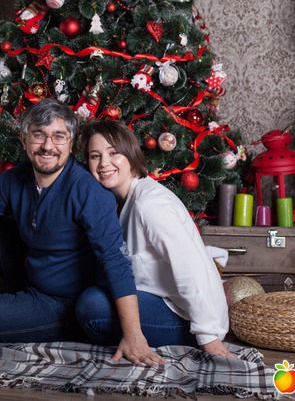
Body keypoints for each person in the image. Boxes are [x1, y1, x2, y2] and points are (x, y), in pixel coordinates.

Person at [0, 99, 164, 367]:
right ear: (24, 140)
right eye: (39, 135)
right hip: (32, 276)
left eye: (58, 136)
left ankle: (25, 320)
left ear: (71, 144)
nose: (48, 146)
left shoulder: (88, 191)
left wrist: (133, 334)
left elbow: (115, 260)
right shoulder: (13, 180)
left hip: (66, 303)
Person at [77, 119, 233, 358]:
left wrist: (207, 335)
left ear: (130, 156)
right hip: (160, 301)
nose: (104, 163)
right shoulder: (120, 203)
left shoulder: (149, 204)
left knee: (92, 306)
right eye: (95, 156)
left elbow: (189, 267)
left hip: (187, 317)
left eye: (113, 153)